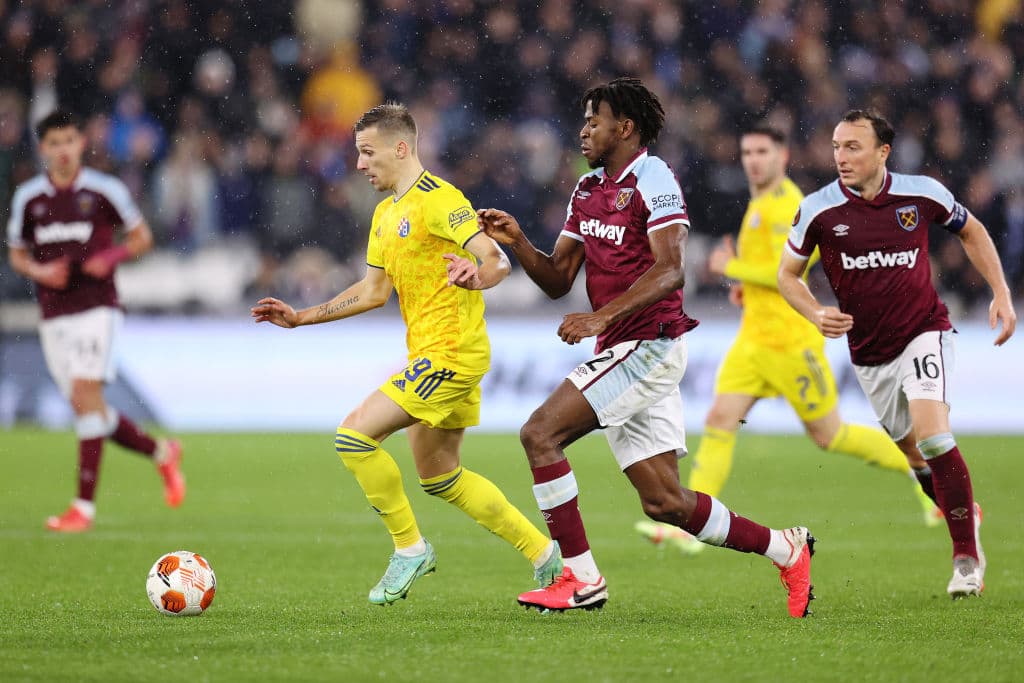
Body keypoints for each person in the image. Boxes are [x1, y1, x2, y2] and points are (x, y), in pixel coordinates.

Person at [477, 78, 815, 617]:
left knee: (539, 434)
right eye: (584, 120)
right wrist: (518, 241)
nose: (584, 130)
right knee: (665, 503)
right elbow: (559, 277)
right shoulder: (587, 189)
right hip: (621, 347)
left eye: (595, 120)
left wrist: (600, 316)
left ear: (625, 127)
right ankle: (786, 548)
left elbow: (671, 269)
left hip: (650, 344)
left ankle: (580, 578)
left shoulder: (654, 178)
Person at [251, 103, 562, 606]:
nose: (359, 164)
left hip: (451, 354)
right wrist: (302, 317)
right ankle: (545, 556)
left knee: (354, 437)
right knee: (441, 477)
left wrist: (476, 275)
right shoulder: (384, 215)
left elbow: (496, 260)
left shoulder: (440, 199)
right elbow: (373, 291)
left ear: (400, 148)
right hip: (432, 354)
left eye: (367, 152)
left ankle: (409, 548)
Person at [636, 125, 940, 556]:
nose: (753, 160)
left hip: (791, 344)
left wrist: (731, 268)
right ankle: (692, 527)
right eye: (747, 152)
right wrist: (746, 287)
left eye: (762, 151)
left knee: (830, 435)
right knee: (720, 420)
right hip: (753, 341)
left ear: (782, 157)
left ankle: (924, 470)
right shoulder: (761, 202)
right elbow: (766, 272)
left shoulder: (788, 206)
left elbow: (789, 272)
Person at [778, 109, 1017, 599]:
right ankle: (962, 510)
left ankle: (966, 557)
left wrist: (1001, 292)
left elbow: (971, 230)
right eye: (837, 146)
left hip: (924, 331)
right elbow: (787, 274)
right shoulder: (818, 210)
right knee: (914, 454)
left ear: (882, 152)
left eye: (853, 147)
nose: (841, 157)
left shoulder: (921, 194)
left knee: (934, 436)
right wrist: (815, 312)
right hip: (869, 353)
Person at [6, 109, 184, 533]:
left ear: (81, 143)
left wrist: (112, 257)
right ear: (43, 148)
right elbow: (17, 254)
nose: (63, 150)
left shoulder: (104, 190)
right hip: (53, 313)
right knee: (90, 408)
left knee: (86, 395)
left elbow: (142, 237)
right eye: (54, 143)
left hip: (97, 308)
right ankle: (161, 452)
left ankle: (82, 509)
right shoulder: (29, 198)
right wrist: (40, 271)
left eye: (69, 140)